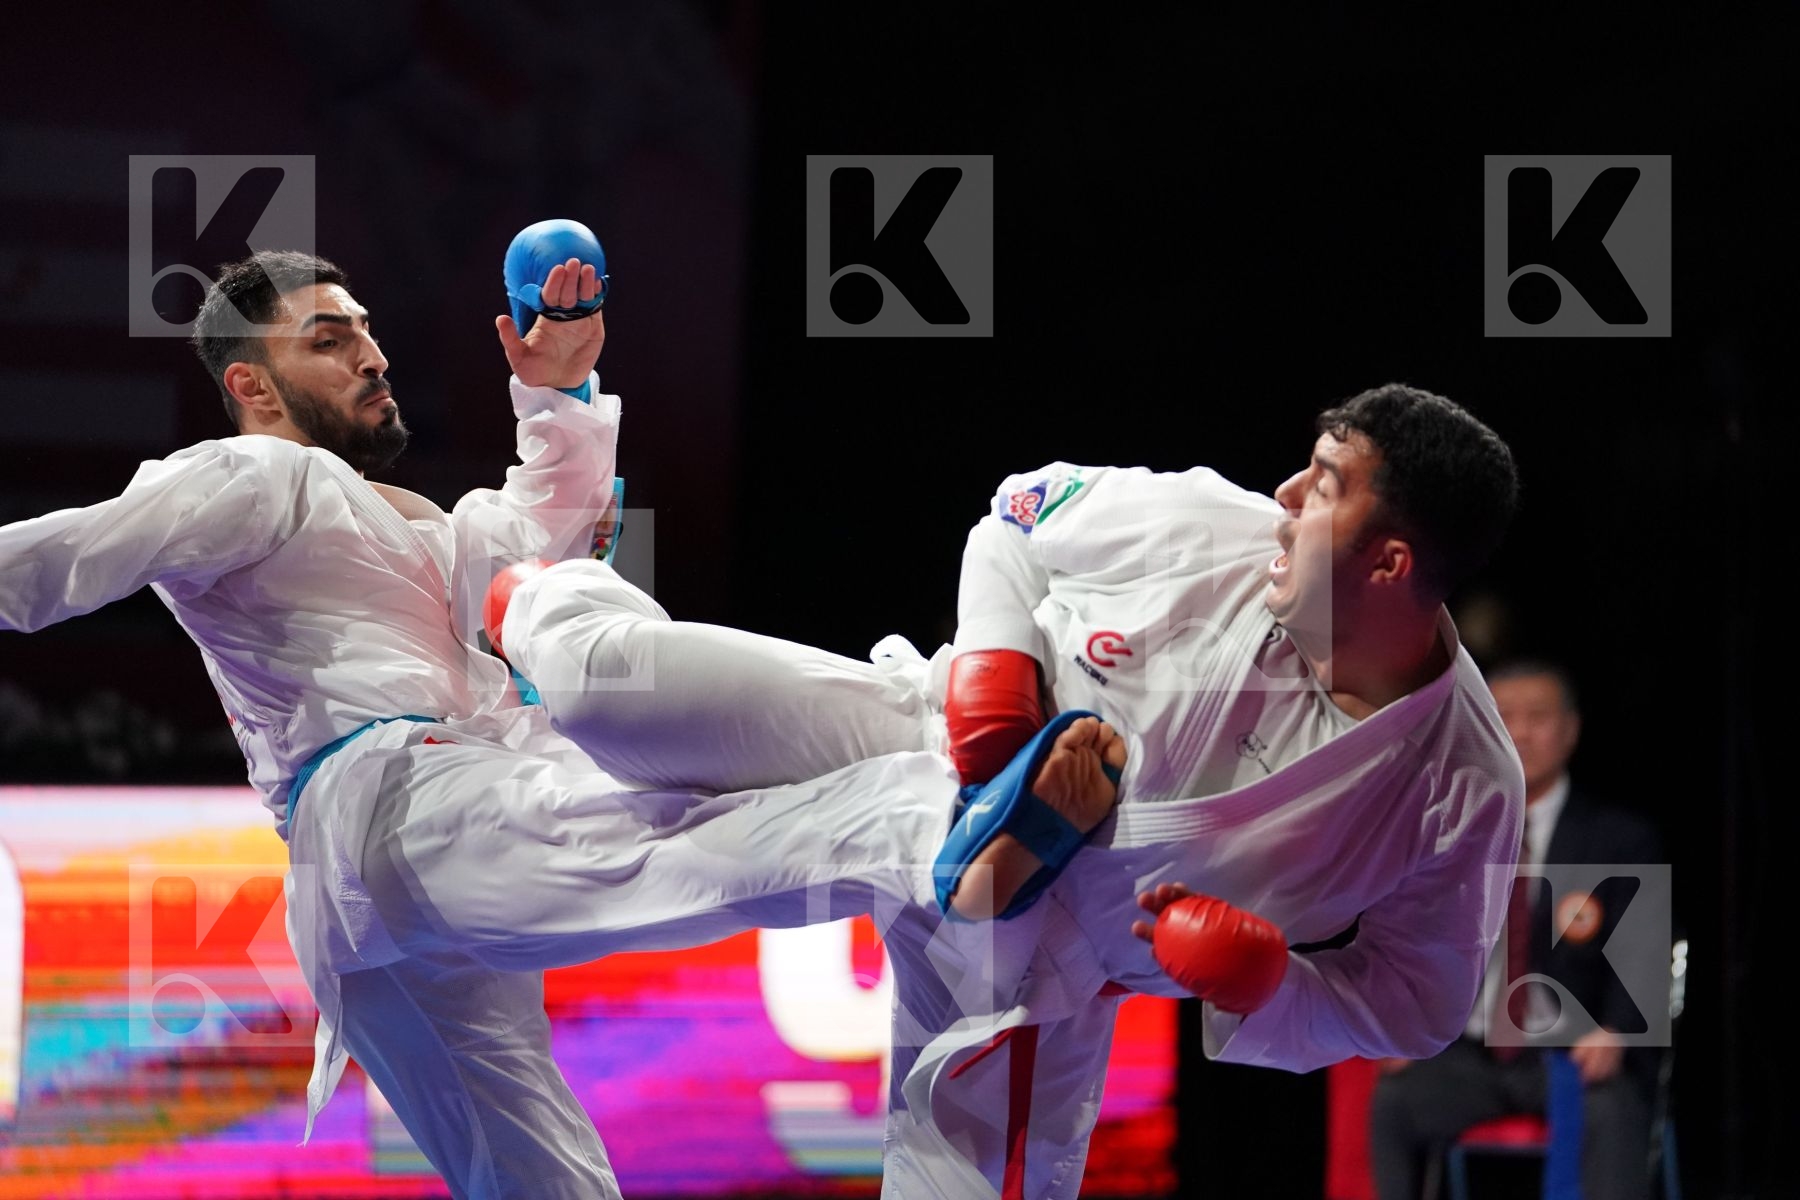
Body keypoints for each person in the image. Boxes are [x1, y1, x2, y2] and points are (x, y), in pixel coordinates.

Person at [0, 247, 985, 1199]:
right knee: (662, 843)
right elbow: (59, 558)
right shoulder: (249, 477)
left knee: (535, 1180)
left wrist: (559, 389)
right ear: (256, 387)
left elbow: (539, 539)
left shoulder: (438, 523)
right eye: (330, 340)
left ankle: (932, 806)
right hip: (397, 801)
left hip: (382, 888)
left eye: (368, 333)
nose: (372, 355)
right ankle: (934, 810)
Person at [489, 383, 1530, 1197]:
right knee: (600, 690)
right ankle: (524, 586)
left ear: (1390, 564)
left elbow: (1420, 1004)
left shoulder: (1464, 787)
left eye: (1325, 482)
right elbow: (1016, 517)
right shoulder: (1218, 529)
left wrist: (1275, 989)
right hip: (927, 746)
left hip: (1043, 982)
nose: (1288, 497)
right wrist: (997, 675)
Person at [1368, 660, 1663, 1200]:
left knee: (1613, 1110)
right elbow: (1411, 937)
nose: (1520, 731)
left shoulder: (1619, 839)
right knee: (1396, 1102)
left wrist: (1619, 1030)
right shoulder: (1447, 830)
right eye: (1503, 716)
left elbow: (1645, 956)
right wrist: (1409, 1025)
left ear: (1570, 730)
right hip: (1472, 1057)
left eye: (1538, 717)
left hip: (1571, 1057)